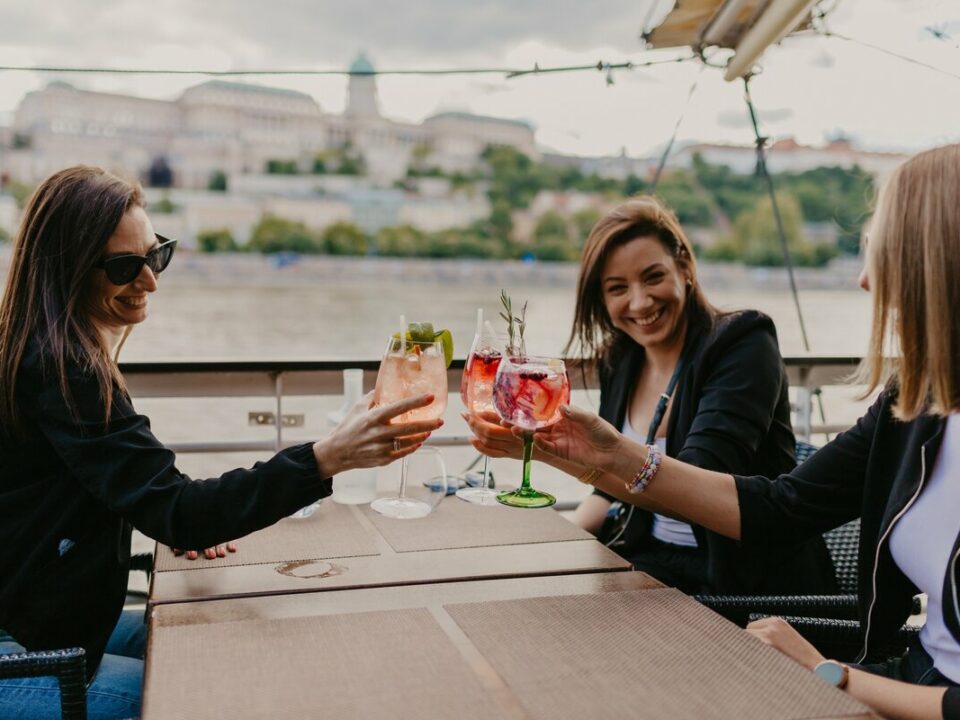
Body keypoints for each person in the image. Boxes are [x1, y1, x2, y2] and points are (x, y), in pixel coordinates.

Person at [528, 145, 960, 720]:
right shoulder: (918, 401)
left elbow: (715, 477)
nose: (862, 279)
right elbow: (785, 505)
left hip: (883, 675)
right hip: (903, 670)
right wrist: (601, 457)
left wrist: (827, 675)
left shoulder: (740, 340)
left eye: (880, 254)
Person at [0, 166, 443, 720]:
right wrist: (326, 458)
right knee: (209, 690)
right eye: (123, 266)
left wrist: (186, 516)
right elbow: (176, 508)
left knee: (229, 632)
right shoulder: (62, 370)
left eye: (156, 255)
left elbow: (153, 497)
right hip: (24, 649)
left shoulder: (48, 354)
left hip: (50, 616)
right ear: (67, 272)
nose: (151, 281)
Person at [468, 196, 833, 594]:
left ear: (685, 268)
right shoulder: (620, 359)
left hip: (744, 580)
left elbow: (696, 490)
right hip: (652, 562)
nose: (640, 302)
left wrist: (547, 454)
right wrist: (553, 551)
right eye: (618, 288)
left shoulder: (743, 343)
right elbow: (606, 492)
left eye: (653, 277)